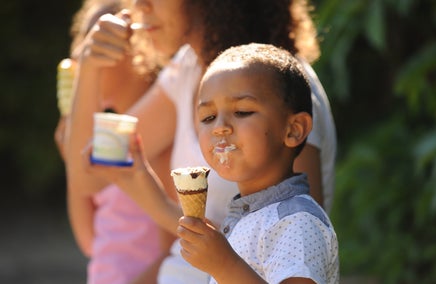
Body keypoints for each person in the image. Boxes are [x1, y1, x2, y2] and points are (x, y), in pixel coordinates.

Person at [70, 0, 336, 282]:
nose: (139, 5)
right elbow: (88, 176)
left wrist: (156, 203)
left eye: (242, 112)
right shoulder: (185, 69)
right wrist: (89, 68)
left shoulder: (282, 88)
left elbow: (295, 238)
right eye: (207, 117)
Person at [178, 42, 339, 284]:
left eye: (242, 111)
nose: (220, 127)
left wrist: (224, 265)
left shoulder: (296, 221)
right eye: (208, 117)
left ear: (294, 130)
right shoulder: (246, 217)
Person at [56, 1, 176, 283]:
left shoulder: (153, 142)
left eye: (97, 43)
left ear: (138, 53)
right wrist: (71, 160)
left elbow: (173, 250)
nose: (79, 58)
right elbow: (90, 242)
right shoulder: (106, 141)